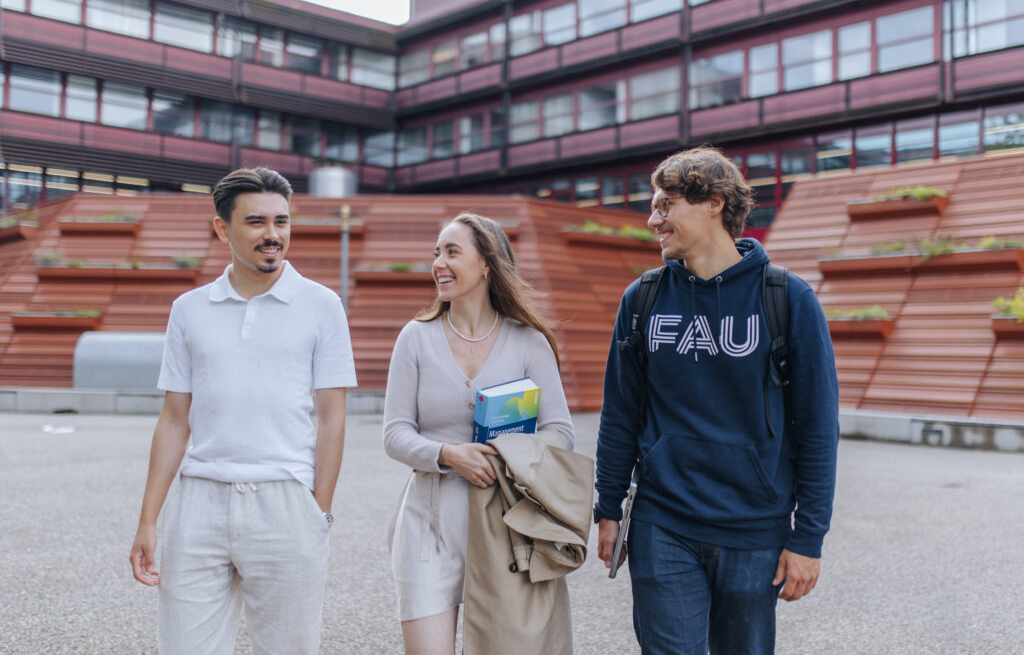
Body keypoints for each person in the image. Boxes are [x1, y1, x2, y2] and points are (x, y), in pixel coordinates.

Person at [594, 147, 840, 654]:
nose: (653, 219)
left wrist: (808, 539)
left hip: (754, 530)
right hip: (664, 522)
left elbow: (817, 427)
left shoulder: (789, 300)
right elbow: (620, 412)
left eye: (666, 206)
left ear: (713, 203)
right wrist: (608, 504)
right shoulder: (641, 300)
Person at [128, 167, 357, 653]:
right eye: (256, 222)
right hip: (198, 505)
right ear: (221, 228)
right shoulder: (189, 309)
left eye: (282, 221)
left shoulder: (322, 305)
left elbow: (333, 416)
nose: (273, 235)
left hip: (286, 502)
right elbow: (173, 419)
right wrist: (149, 518)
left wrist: (320, 511)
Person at [383, 212, 574, 655]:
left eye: (452, 252)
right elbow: (395, 433)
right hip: (428, 521)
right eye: (436, 253)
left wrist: (505, 454)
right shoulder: (415, 338)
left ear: (487, 264)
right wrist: (448, 454)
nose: (439, 263)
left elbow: (560, 432)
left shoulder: (528, 341)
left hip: (505, 521)